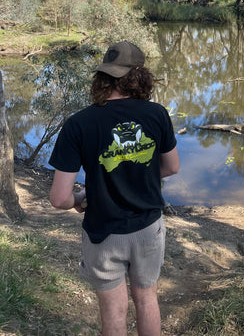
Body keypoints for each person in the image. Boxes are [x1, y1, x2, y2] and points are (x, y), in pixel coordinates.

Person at [49, 40, 179, 336]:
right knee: (147, 299)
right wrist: (139, 174)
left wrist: (78, 198)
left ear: (103, 77)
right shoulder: (157, 114)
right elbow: (171, 167)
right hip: (148, 228)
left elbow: (58, 198)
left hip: (103, 232)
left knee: (114, 311)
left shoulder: (79, 124)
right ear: (139, 75)